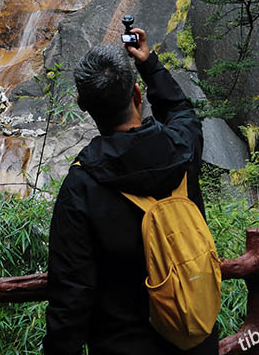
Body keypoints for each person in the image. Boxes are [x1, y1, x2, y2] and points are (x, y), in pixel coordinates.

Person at [43, 28, 218, 355]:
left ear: (82, 105)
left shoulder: (81, 186)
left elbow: (71, 296)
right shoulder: (183, 147)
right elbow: (182, 111)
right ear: (137, 94)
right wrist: (149, 63)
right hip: (196, 341)